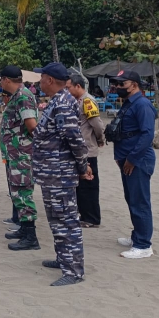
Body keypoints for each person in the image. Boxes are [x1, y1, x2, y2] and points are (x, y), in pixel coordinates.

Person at [33, 63, 92, 286]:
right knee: (57, 220)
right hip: (52, 173)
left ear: (49, 80)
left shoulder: (64, 103)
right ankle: (63, 258)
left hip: (60, 173)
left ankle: (74, 271)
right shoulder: (58, 101)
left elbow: (75, 139)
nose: (39, 82)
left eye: (41, 78)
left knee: (66, 221)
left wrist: (82, 165)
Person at [107, 70, 158, 259]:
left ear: (134, 85)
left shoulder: (142, 104)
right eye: (117, 84)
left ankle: (144, 245)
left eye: (122, 84)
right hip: (127, 158)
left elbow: (147, 135)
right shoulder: (129, 103)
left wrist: (131, 159)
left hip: (138, 159)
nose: (118, 87)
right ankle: (137, 236)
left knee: (140, 202)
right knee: (132, 199)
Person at [0, 66, 40, 250]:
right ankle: (24, 229)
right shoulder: (19, 96)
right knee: (17, 192)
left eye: (1, 79)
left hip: (22, 155)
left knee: (23, 193)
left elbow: (32, 126)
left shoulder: (23, 97)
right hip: (15, 154)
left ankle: (31, 237)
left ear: (6, 79)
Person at [67, 74, 106, 227]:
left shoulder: (88, 101)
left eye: (69, 87)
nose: (67, 90)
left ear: (78, 86)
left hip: (88, 149)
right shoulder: (77, 101)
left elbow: (97, 124)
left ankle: (92, 218)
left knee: (89, 185)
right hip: (80, 149)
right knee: (80, 186)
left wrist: (100, 139)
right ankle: (84, 215)